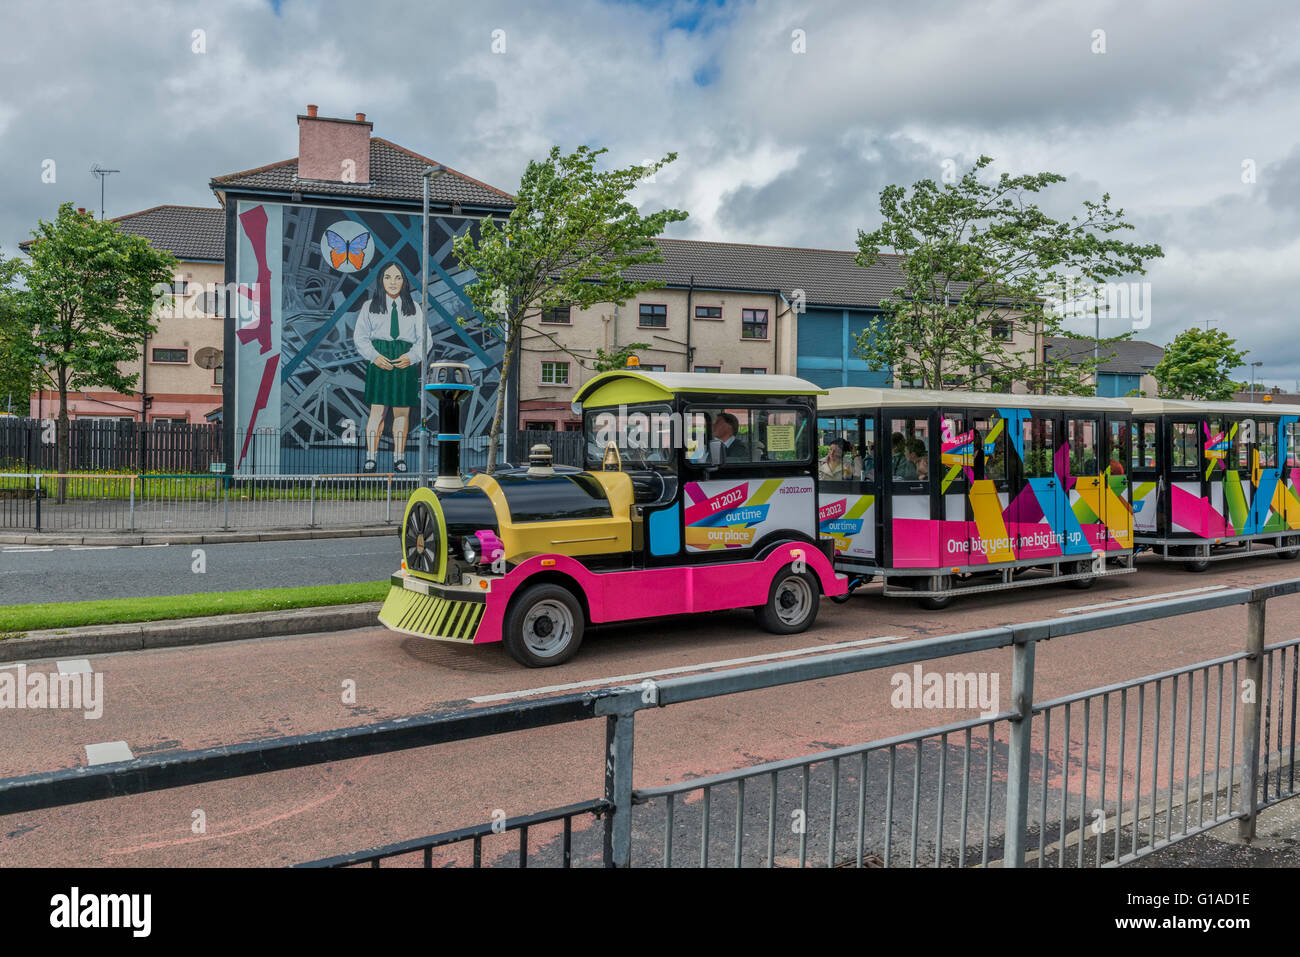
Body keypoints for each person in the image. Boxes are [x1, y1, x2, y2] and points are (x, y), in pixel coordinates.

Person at [353, 264, 423, 473]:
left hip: (404, 358)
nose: (393, 282)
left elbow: (425, 338)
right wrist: (374, 357)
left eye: (398, 277)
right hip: (380, 357)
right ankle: (371, 458)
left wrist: (411, 357)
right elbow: (360, 337)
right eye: (388, 277)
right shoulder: (369, 306)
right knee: (377, 412)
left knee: (402, 413)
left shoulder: (414, 308)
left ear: (404, 282)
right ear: (381, 281)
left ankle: (399, 459)